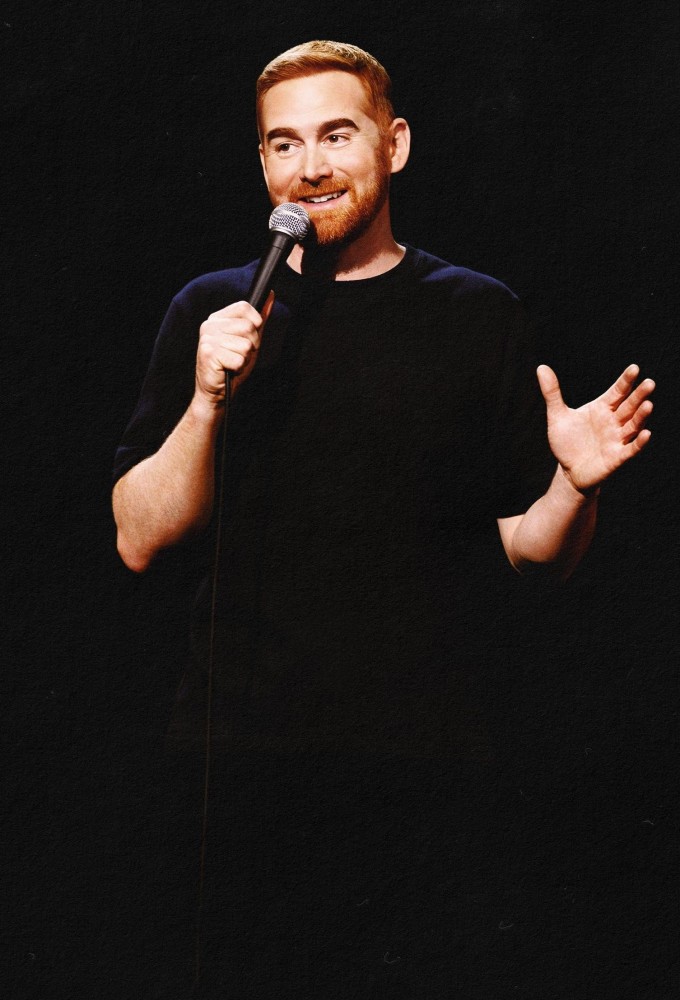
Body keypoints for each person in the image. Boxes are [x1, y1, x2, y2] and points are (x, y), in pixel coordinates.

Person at [112, 40, 655, 997]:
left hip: (423, 757)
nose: (310, 167)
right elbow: (140, 540)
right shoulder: (213, 311)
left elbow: (532, 553)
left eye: (337, 135)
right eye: (284, 144)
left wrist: (575, 486)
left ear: (393, 145)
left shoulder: (476, 313)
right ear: (263, 164)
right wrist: (204, 401)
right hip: (239, 758)